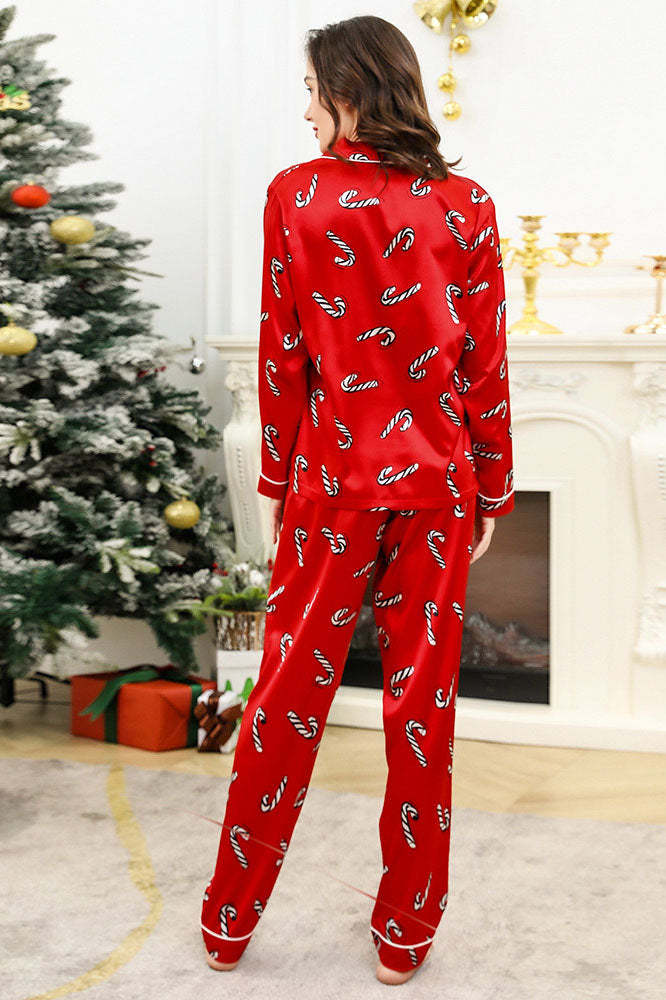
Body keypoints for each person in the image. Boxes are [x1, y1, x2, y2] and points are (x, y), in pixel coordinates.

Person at [201, 14, 515, 987]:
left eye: (312, 90)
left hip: (331, 487)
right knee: (424, 711)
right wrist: (492, 485)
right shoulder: (467, 205)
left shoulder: (294, 197)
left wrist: (278, 478)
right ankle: (405, 934)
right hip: (438, 485)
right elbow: (483, 365)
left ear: (348, 89)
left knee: (285, 700)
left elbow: (283, 352)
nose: (305, 110)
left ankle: (227, 922)